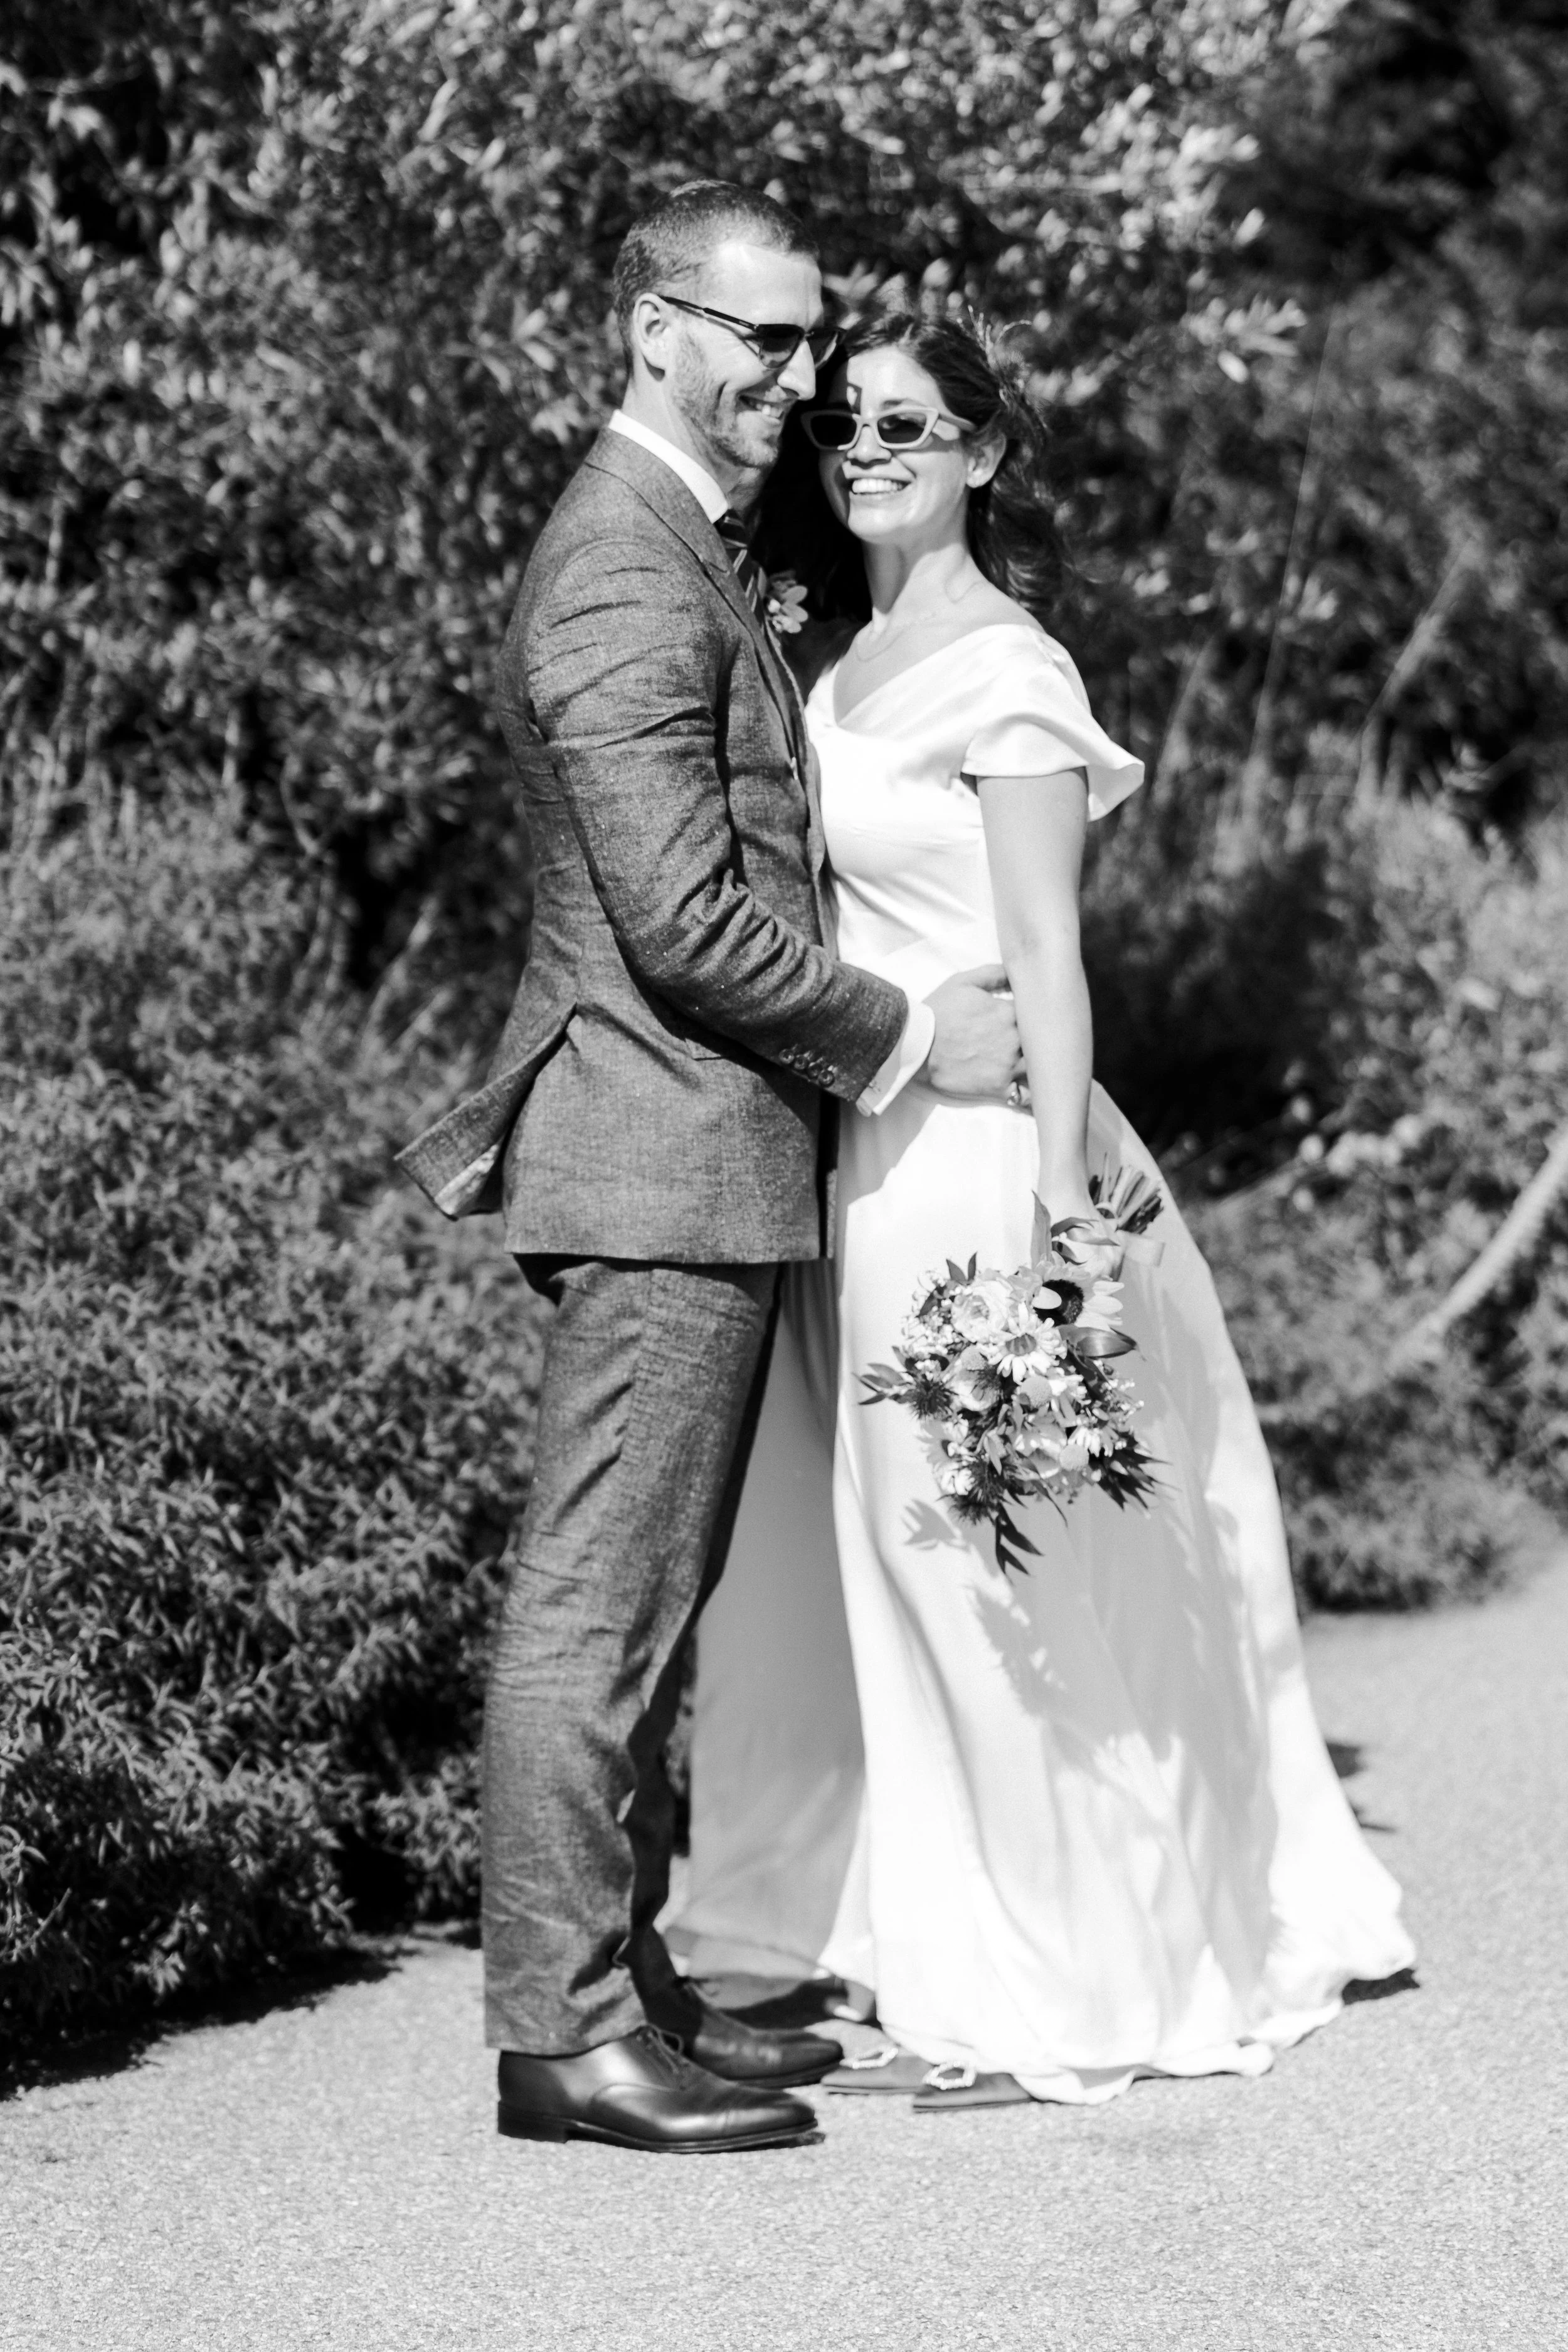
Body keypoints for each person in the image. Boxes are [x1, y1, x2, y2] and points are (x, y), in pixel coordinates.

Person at [668, 304, 1416, 2109]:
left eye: (910, 426)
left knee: (987, 1571)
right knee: (894, 1582)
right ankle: (922, 1932)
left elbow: (1047, 967)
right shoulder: (832, 670)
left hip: (993, 1173)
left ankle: (1060, 1983)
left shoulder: (1008, 670)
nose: (866, 452)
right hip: (870, 1157)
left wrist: (1066, 1226)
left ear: (985, 454)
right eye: (844, 423)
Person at [396, 188, 1024, 2153]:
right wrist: (918, 1035)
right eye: (760, 341)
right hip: (658, 1149)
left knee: (649, 1603)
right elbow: (679, 922)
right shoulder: (616, 562)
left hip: (706, 1152)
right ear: (656, 329)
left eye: (808, 344)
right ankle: (560, 2035)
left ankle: (636, 1981)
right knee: (595, 1603)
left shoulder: (689, 544)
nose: (794, 377)